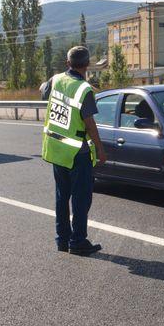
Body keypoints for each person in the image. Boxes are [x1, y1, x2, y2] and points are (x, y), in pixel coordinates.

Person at [40, 46, 107, 256]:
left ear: (68, 63)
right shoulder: (84, 89)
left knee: (62, 196)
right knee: (80, 198)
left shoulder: (55, 80)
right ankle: (77, 241)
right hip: (77, 152)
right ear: (87, 65)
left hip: (56, 148)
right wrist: (100, 148)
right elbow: (89, 123)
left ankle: (62, 239)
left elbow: (43, 92)